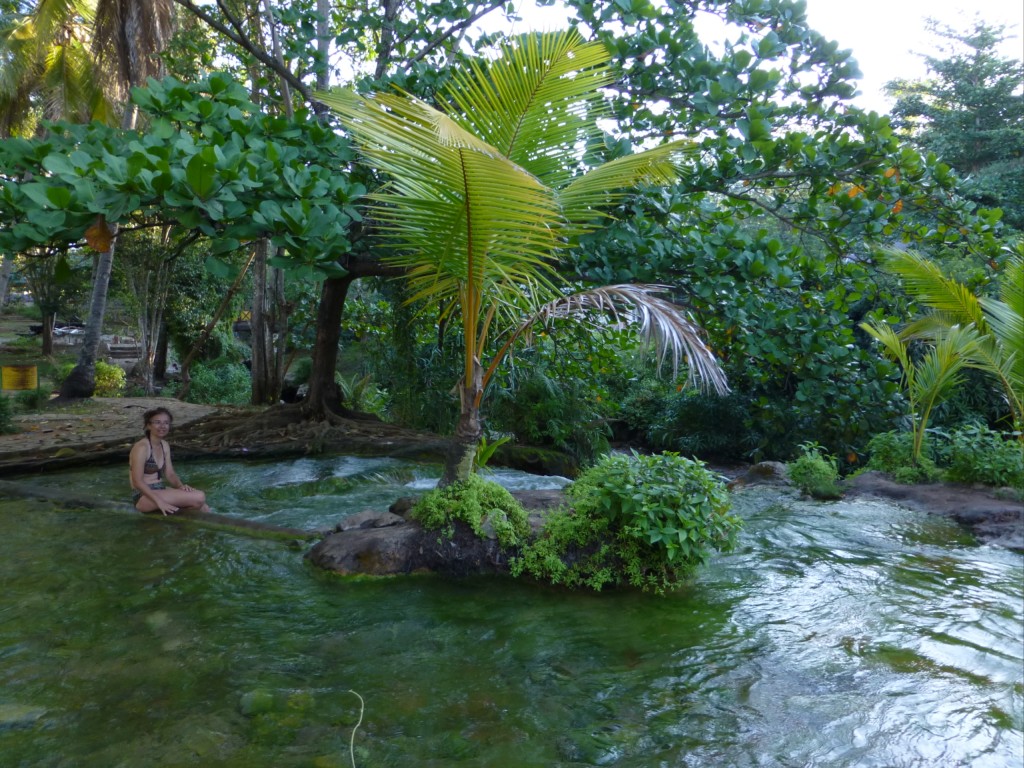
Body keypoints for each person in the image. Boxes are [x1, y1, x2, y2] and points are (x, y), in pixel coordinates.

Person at [129, 406, 211, 515]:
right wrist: (160, 502)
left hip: (160, 489)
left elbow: (170, 474)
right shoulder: (142, 447)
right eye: (157, 422)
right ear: (148, 425)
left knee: (204, 507)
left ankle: (179, 523)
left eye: (166, 423)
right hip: (143, 496)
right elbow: (137, 481)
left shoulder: (164, 445)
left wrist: (181, 487)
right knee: (199, 496)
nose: (162, 426)